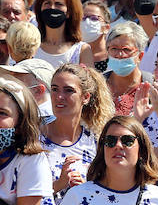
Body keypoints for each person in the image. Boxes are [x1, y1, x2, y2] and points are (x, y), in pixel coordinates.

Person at [42, 63, 111, 192]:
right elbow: (24, 192)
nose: (59, 97)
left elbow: (110, 189)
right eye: (55, 89)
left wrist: (86, 188)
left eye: (68, 90)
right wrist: (59, 185)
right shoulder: (35, 137)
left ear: (85, 97)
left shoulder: (96, 140)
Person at [33, 0, 94, 69]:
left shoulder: (82, 50)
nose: (52, 8)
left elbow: (88, 81)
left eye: (58, 4)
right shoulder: (31, 47)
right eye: (47, 3)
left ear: (69, 12)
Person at [105, 21, 150, 116]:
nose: (120, 55)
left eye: (126, 49)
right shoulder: (98, 84)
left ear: (140, 56)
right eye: (114, 49)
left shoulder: (152, 85)